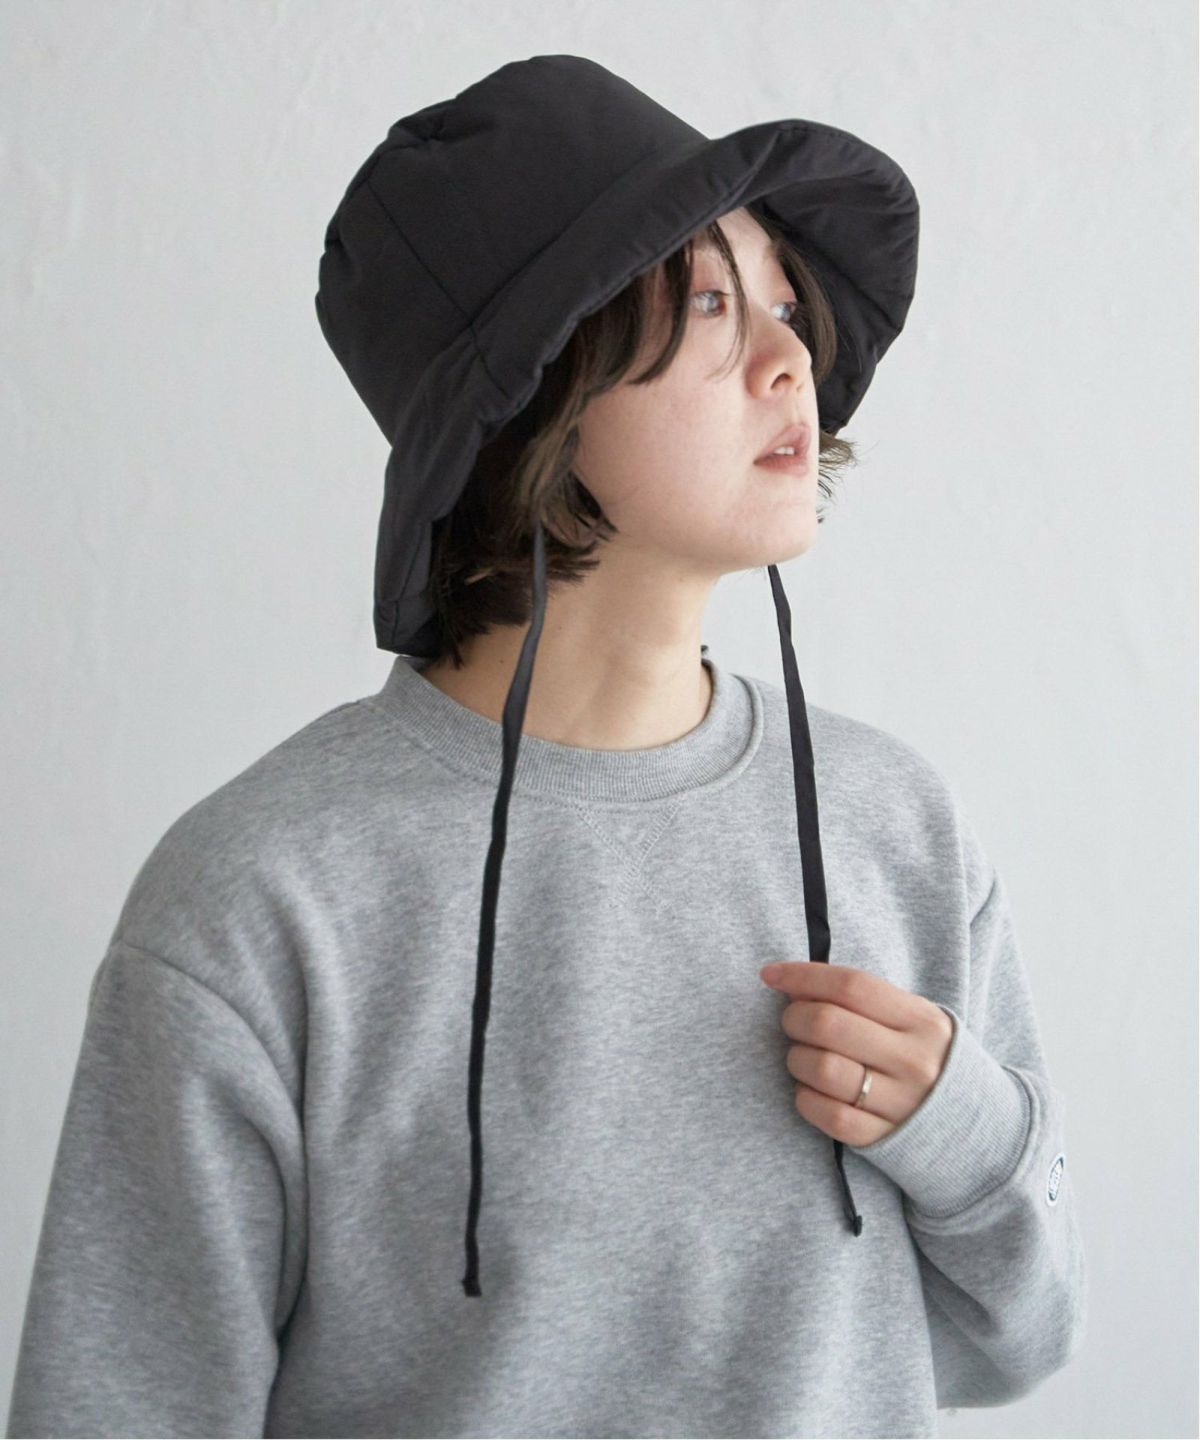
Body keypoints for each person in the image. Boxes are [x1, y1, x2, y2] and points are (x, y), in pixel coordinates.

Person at [6, 55, 1086, 1439]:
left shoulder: (897, 825)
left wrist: (968, 1131)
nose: (790, 358)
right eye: (709, 302)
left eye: (782, 301)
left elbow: (1018, 1343)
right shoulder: (266, 897)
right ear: (534, 390)